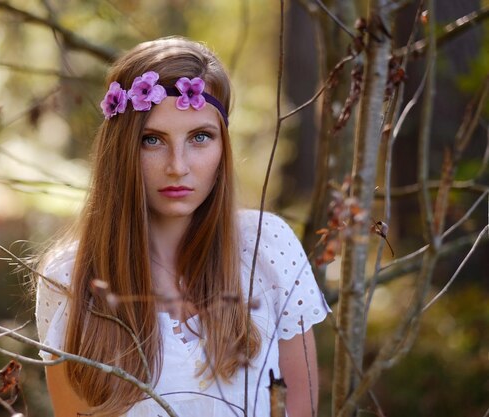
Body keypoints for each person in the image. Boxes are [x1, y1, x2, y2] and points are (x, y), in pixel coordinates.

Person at [35, 36, 330, 417]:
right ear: (122, 148)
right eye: (152, 140)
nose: (177, 165)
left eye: (200, 137)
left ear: (223, 145)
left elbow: (300, 409)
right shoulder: (70, 276)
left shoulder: (266, 248)